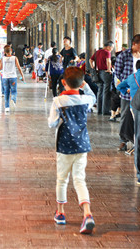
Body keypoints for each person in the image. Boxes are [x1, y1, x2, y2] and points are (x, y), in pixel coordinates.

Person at [48, 66, 96, 235]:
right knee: (79, 179)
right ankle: (87, 213)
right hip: (82, 144)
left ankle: (60, 212)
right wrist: (85, 85)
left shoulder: (58, 101)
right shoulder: (86, 100)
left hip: (64, 145)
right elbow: (93, 96)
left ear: (63, 83)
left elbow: (52, 123)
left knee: (62, 179)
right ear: (81, 83)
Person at [113, 35, 140, 152]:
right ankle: (123, 140)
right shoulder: (124, 55)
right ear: (133, 44)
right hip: (128, 91)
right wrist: (128, 84)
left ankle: (138, 141)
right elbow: (117, 72)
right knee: (126, 116)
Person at [0, 45, 25, 114]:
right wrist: (22, 76)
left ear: (4, 52)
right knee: (14, 91)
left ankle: (7, 107)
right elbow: (19, 67)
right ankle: (13, 100)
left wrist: (1, 62)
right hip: (13, 77)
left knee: (6, 92)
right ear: (11, 51)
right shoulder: (14, 58)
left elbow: (0, 68)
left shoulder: (2, 59)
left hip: (5, 78)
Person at [89, 41, 113, 116]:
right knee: (106, 91)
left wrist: (93, 67)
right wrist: (109, 69)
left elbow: (90, 60)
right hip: (105, 73)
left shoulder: (97, 52)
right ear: (109, 47)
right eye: (112, 47)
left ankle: (99, 110)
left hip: (98, 73)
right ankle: (105, 111)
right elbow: (108, 61)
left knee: (100, 91)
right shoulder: (107, 52)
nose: (112, 49)